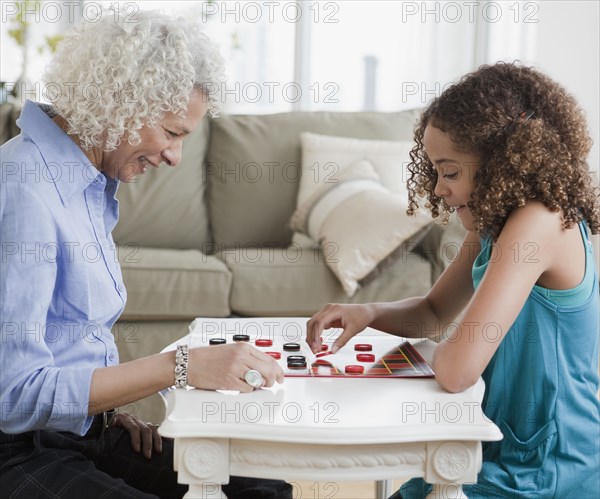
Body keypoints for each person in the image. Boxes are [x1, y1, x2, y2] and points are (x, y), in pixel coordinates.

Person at [0, 9, 292, 499]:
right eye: (173, 133)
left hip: (80, 431)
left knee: (260, 490)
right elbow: (13, 396)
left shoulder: (91, 186)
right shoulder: (24, 190)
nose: (176, 156)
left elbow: (70, 342)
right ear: (119, 103)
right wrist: (180, 365)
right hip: (18, 451)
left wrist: (108, 413)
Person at [306, 62, 600, 498]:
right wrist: (366, 313)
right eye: (435, 171)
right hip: (491, 445)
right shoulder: (495, 226)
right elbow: (433, 312)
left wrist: (432, 352)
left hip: (546, 467)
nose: (440, 189)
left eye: (450, 172)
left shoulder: (537, 222)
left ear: (503, 163)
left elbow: (458, 370)